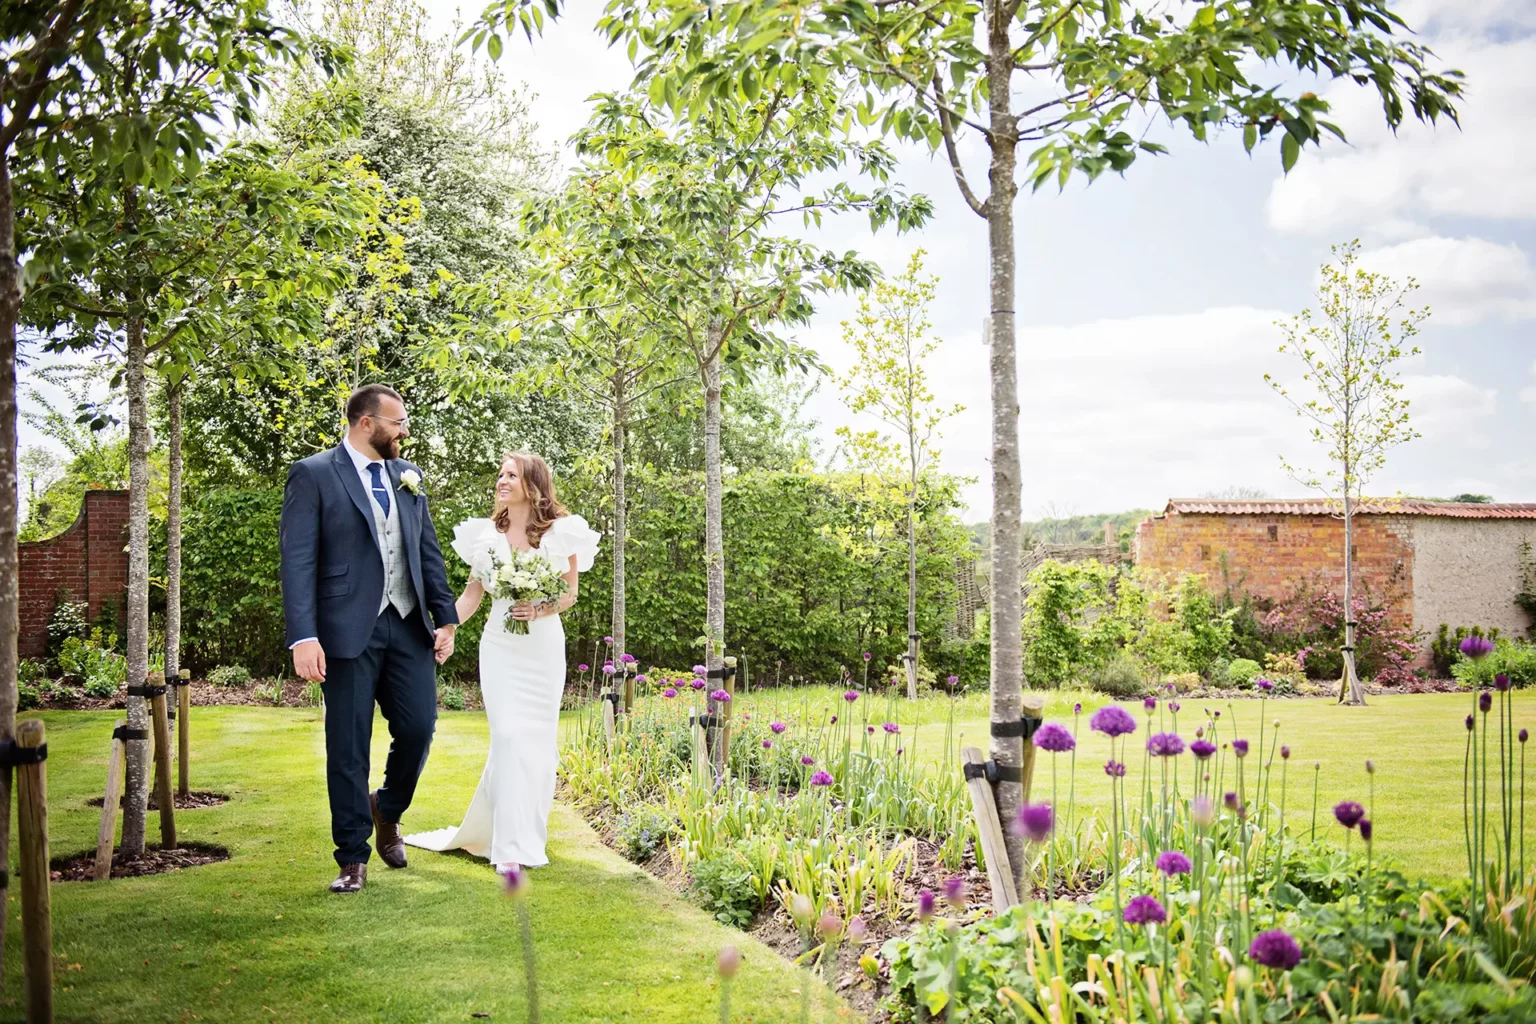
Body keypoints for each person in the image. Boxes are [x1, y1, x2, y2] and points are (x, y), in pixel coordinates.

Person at [279, 384, 459, 894]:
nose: (404, 431)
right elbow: (297, 562)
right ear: (365, 423)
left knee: (420, 726)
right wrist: (304, 637)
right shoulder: (314, 474)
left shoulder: (409, 478)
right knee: (348, 746)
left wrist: (443, 618)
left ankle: (389, 808)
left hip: (406, 624)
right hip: (344, 630)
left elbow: (427, 550)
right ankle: (352, 857)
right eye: (397, 422)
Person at [404, 450, 599, 871]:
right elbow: (474, 595)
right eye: (500, 474)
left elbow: (569, 593)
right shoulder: (487, 535)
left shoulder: (561, 533)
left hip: (543, 650)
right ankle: (509, 847)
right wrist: (449, 627)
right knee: (508, 737)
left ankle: (517, 837)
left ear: (532, 484)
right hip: (500, 648)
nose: (501, 481)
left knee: (536, 745)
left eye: (511, 475)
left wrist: (541, 608)